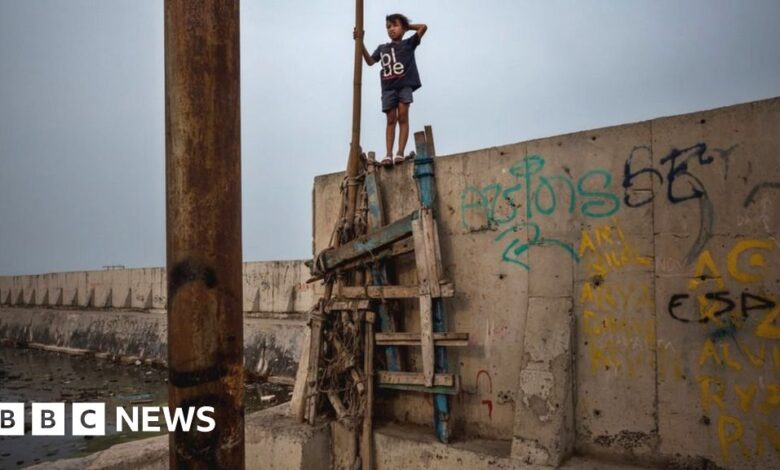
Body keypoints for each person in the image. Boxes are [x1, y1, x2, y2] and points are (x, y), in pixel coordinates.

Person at [356, 14, 427, 166]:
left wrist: (407, 27)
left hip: (404, 85)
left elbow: (423, 27)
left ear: (402, 28)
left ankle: (400, 151)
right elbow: (369, 61)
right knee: (390, 119)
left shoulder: (409, 43)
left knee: (403, 116)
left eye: (395, 25)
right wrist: (360, 43)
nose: (391, 29)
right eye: (388, 27)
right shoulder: (383, 48)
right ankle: (388, 153)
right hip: (388, 88)